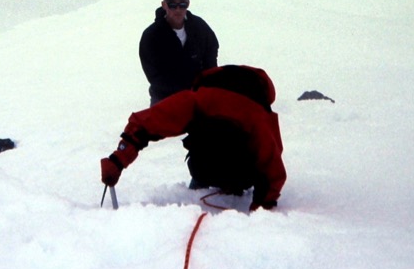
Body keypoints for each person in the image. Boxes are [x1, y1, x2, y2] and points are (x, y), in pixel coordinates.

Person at [99, 64, 286, 210]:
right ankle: (216, 177)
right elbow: (145, 124)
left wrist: (261, 212)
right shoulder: (196, 102)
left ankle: (230, 180)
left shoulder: (256, 117)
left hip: (231, 164)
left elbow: (272, 171)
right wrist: (118, 160)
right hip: (213, 160)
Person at [139, 0, 219, 105]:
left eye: (182, 4)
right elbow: (154, 75)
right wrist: (183, 91)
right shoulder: (151, 36)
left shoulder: (200, 28)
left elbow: (211, 54)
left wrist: (207, 84)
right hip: (164, 99)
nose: (178, 9)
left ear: (188, 4)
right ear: (164, 5)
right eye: (172, 4)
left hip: (197, 95)